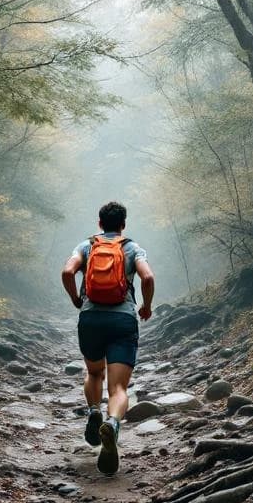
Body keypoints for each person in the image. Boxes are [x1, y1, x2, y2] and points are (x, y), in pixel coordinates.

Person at [60, 201, 155, 475]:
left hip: (91, 319)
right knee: (119, 389)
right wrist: (146, 306)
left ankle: (93, 412)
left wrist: (77, 298)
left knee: (93, 373)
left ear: (100, 223)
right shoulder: (132, 247)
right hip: (123, 320)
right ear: (123, 224)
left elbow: (67, 272)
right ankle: (112, 424)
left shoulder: (87, 246)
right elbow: (147, 278)